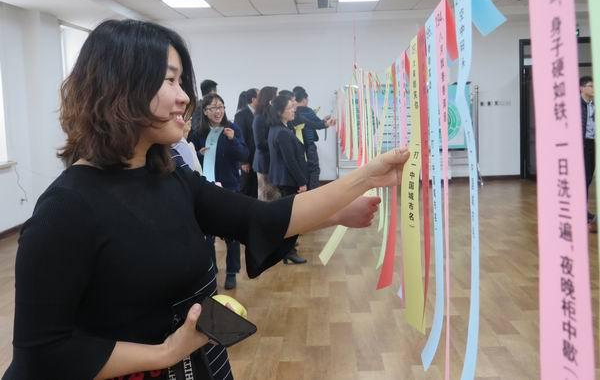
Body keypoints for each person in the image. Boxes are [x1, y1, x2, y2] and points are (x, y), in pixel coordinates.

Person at [5, 19, 407, 380]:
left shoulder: (173, 178)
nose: (185, 97)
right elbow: (43, 354)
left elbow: (257, 218)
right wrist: (164, 352)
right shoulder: (66, 210)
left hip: (197, 364)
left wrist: (338, 208)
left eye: (182, 83)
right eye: (169, 81)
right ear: (119, 87)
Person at [194, 93, 248, 290]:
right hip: (205, 187)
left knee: (231, 231)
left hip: (230, 186)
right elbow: (191, 158)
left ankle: (232, 271)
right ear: (205, 111)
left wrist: (233, 140)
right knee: (207, 233)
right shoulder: (198, 132)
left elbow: (244, 155)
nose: (218, 111)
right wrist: (198, 154)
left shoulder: (232, 128)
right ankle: (211, 267)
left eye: (221, 107)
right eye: (213, 108)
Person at [268, 95, 309, 264]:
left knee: (289, 217)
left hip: (284, 179)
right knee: (292, 219)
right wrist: (302, 182)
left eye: (293, 107)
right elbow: (290, 161)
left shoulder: (278, 128)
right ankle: (289, 251)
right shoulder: (282, 132)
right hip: (288, 180)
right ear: (279, 112)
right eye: (290, 108)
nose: (293, 110)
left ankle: (287, 250)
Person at [293, 86, 335, 190]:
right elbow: (315, 124)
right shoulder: (308, 110)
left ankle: (304, 191)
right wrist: (325, 123)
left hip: (296, 146)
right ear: (304, 99)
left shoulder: (294, 113)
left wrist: (323, 121)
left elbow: (312, 123)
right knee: (314, 169)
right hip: (309, 145)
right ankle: (313, 192)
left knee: (302, 169)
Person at [252, 86, 279, 201]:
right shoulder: (259, 118)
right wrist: (276, 143)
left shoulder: (271, 116)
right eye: (275, 97)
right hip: (264, 163)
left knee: (273, 196)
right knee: (266, 196)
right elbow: (259, 144)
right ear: (268, 99)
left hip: (272, 162)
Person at [234, 88, 259, 198]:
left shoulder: (259, 113)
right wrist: (243, 161)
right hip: (247, 159)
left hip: (256, 158)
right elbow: (240, 138)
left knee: (255, 188)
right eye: (260, 97)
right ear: (253, 99)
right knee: (247, 188)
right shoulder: (241, 115)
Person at [580, 76, 596, 232]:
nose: (593, 89)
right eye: (590, 86)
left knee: (589, 178)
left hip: (592, 143)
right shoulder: (576, 105)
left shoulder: (593, 104)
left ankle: (583, 210)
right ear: (582, 88)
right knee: (583, 179)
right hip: (581, 144)